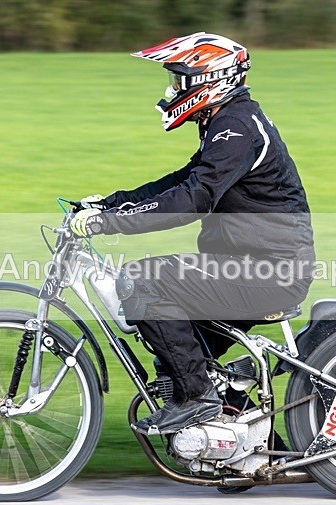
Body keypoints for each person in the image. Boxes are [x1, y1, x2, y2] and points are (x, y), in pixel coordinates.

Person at [70, 32, 314, 435]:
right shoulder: (228, 123)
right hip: (249, 266)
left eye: (178, 81)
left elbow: (192, 199)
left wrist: (110, 222)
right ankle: (248, 448)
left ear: (211, 79)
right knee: (174, 355)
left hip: (267, 272)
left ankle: (197, 402)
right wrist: (109, 204)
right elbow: (182, 180)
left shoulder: (235, 129)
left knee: (141, 280)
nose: (171, 91)